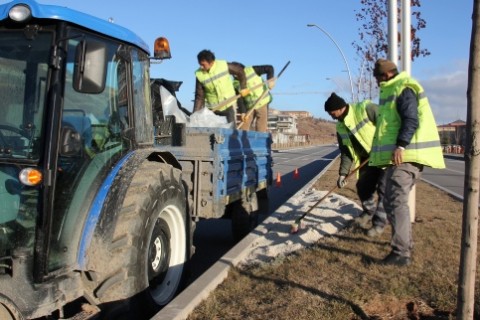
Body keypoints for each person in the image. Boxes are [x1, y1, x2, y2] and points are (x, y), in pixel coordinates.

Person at [370, 58, 445, 266]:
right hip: (401, 158)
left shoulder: (403, 88)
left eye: (377, 78)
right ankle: (404, 246)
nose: (376, 82)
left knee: (396, 202)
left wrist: (401, 145)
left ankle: (401, 253)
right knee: (391, 201)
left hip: (406, 156)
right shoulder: (392, 90)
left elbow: (411, 119)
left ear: (385, 75)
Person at [324, 92, 387, 237]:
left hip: (383, 155)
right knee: (363, 187)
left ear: (340, 108)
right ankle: (369, 212)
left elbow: (387, 122)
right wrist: (342, 174)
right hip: (367, 160)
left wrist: (383, 145)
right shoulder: (340, 127)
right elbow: (346, 152)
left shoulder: (364, 108)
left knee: (384, 190)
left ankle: (378, 224)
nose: (331, 116)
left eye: (331, 112)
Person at [193, 49, 249, 124]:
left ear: (211, 62)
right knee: (214, 131)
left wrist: (243, 87)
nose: (201, 67)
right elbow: (199, 96)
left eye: (203, 65)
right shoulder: (199, 74)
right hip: (213, 109)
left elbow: (240, 71)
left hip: (228, 104)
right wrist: (195, 115)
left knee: (231, 130)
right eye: (200, 64)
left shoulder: (223, 65)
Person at [231, 62, 275, 132]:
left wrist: (271, 80)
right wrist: (242, 112)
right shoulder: (235, 83)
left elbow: (269, 68)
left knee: (261, 127)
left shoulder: (252, 70)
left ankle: (260, 141)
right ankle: (242, 141)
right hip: (249, 107)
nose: (235, 76)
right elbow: (240, 99)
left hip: (262, 102)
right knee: (244, 126)